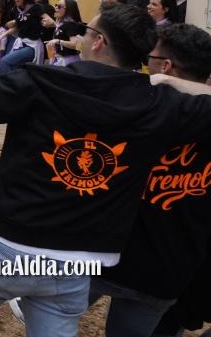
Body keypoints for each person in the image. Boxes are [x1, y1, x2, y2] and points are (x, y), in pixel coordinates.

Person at [0, 2, 211, 337]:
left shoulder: (42, 81)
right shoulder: (158, 103)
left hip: (6, 242)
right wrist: (164, 81)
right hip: (77, 260)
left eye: (86, 31)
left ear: (99, 41)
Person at [87, 23, 211, 337]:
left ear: (165, 64)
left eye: (151, 56)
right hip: (170, 271)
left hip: (108, 259)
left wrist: (159, 81)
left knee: (47, 311)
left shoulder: (138, 102)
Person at [0, 0, 45, 77]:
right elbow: (17, 27)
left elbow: (47, 19)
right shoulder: (18, 10)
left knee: (5, 61)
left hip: (32, 46)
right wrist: (1, 36)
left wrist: (49, 22)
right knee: (14, 68)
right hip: (21, 42)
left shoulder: (35, 8)